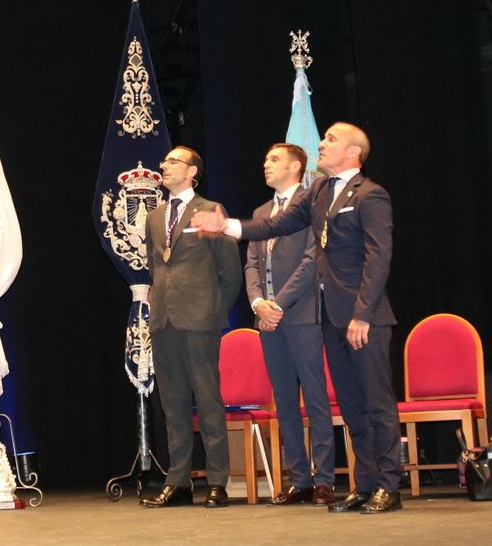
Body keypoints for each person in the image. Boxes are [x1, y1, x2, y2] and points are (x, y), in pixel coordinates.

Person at [196, 122, 403, 515]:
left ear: (354, 153)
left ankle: (389, 486)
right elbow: (275, 224)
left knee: (377, 404)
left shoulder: (371, 194)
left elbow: (379, 258)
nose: (322, 144)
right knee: (352, 407)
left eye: (331, 140)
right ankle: (365, 484)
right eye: (323, 138)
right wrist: (227, 226)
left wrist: (363, 314)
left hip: (364, 318)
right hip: (330, 318)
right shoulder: (320, 191)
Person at [141, 146, 243, 509]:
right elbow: (157, 267)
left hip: (200, 318)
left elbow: (230, 271)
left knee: (208, 399)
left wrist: (214, 308)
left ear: (192, 172)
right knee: (172, 402)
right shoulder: (154, 217)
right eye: (164, 160)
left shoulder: (210, 211)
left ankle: (217, 482)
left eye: (172, 162)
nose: (163, 165)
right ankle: (178, 482)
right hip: (164, 317)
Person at [245, 142, 335, 506]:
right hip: (267, 319)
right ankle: (299, 479)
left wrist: (278, 303)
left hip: (300, 314)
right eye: (265, 158)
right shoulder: (262, 211)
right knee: (284, 402)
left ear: (297, 167)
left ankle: (324, 478)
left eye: (274, 159)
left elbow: (312, 260)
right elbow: (251, 262)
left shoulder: (312, 203)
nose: (266, 165)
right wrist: (257, 302)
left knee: (315, 397)